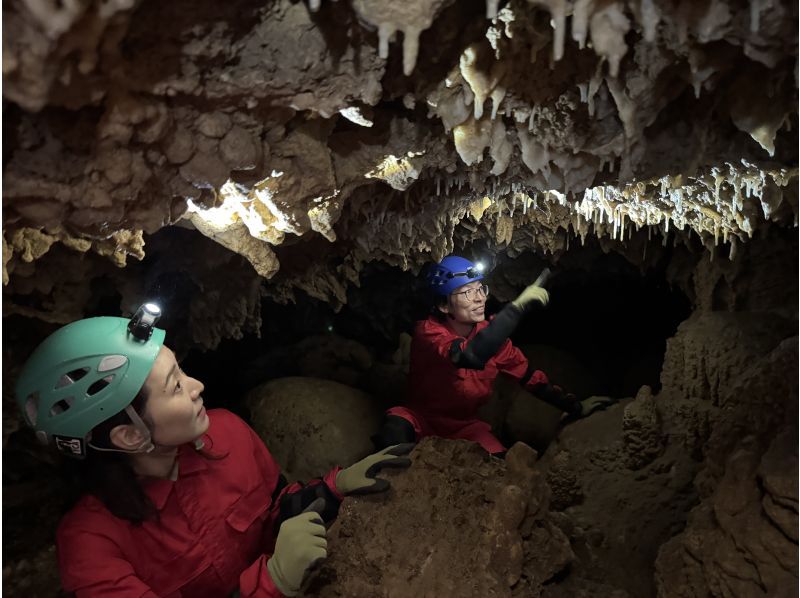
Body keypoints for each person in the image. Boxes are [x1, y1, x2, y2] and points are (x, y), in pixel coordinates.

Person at [14, 304, 413, 597]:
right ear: (129, 436)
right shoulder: (92, 544)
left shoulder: (227, 433)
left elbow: (273, 508)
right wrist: (273, 582)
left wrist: (332, 489)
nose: (197, 386)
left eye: (181, 370)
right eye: (174, 386)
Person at [373, 255, 614, 455]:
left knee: (499, 467)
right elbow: (469, 356)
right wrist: (517, 306)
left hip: (464, 427)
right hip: (421, 420)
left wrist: (576, 407)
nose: (480, 298)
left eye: (480, 289)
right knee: (396, 428)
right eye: (467, 293)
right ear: (444, 306)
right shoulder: (428, 333)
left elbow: (533, 381)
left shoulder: (493, 339)